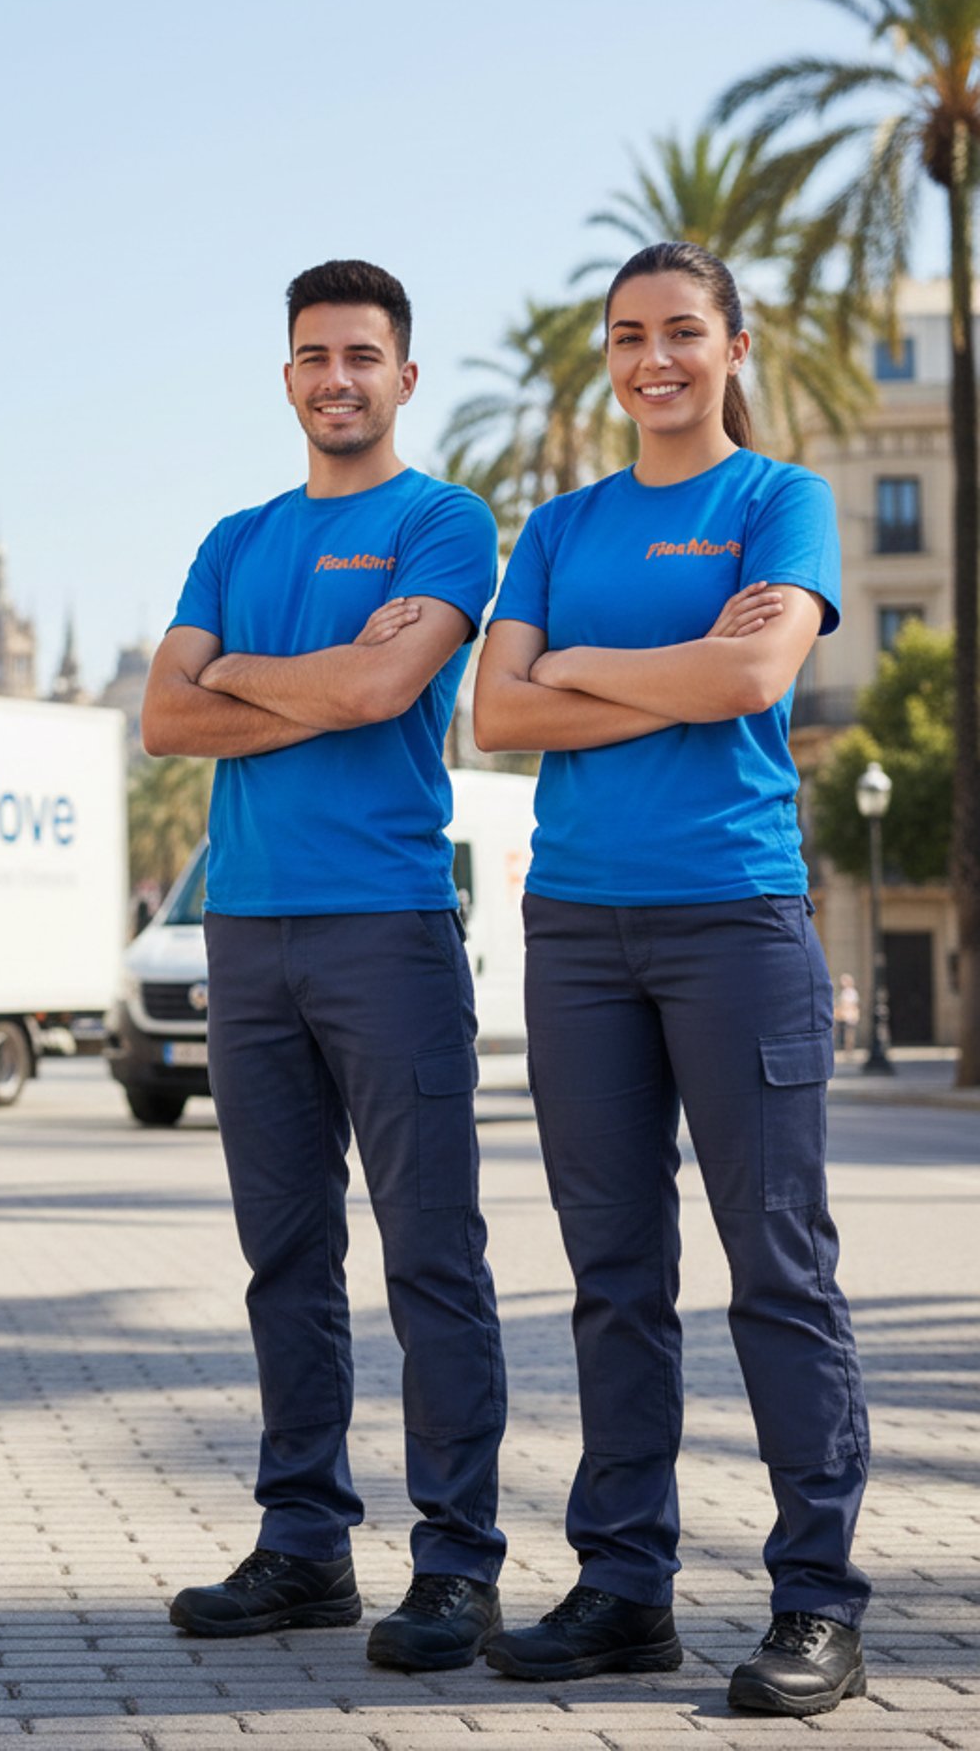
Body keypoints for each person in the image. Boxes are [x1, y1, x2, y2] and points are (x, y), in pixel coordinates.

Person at [472, 242, 869, 1717]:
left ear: (736, 346)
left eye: (684, 331)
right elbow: (497, 712)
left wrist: (581, 666)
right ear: (608, 352)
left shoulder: (779, 502)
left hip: (734, 923)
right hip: (576, 935)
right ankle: (624, 1589)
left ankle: (817, 1601)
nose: (658, 357)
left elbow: (754, 683)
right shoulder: (561, 523)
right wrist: (662, 664)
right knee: (614, 1280)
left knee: (778, 1269)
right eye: (631, 333)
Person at [142, 259, 508, 1672]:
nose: (336, 377)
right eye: (313, 355)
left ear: (404, 378)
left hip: (390, 932)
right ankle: (301, 1550)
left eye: (363, 355)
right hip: (247, 933)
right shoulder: (235, 536)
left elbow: (378, 690)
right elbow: (165, 723)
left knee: (432, 1256)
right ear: (287, 376)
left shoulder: (445, 522)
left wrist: (245, 673)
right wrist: (299, 681)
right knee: (285, 1256)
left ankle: (458, 1567)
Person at [835, 973, 861, 1054]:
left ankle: (849, 1050)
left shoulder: (851, 992)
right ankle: (845, 1049)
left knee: (849, 1033)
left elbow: (851, 1004)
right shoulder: (844, 992)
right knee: (844, 1032)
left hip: (849, 1015)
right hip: (844, 1015)